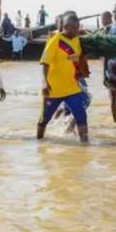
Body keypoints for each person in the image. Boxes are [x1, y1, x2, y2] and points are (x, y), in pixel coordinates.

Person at [37, 14, 89, 143]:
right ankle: (39, 145)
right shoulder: (55, 41)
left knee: (81, 116)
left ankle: (85, 145)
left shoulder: (76, 40)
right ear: (65, 27)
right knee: (44, 119)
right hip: (54, 90)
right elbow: (44, 63)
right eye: (74, 28)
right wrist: (44, 83)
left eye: (78, 28)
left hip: (72, 88)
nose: (77, 31)